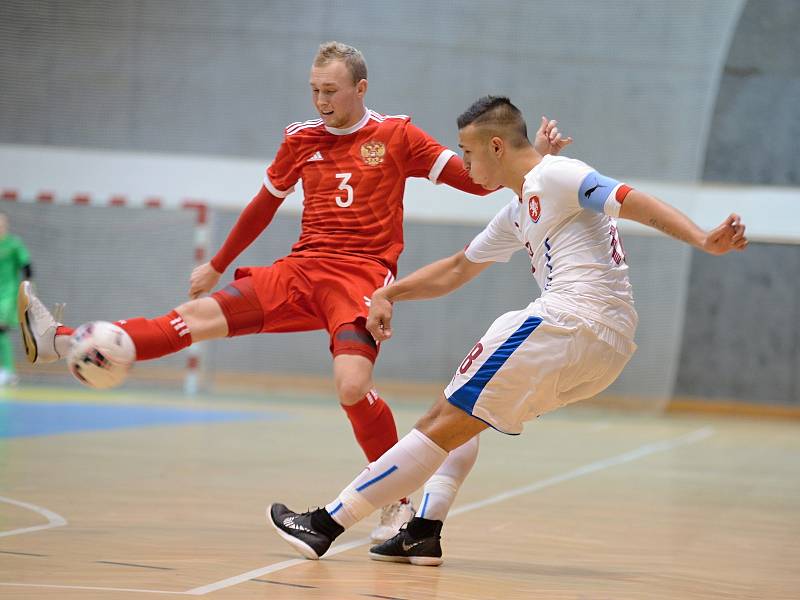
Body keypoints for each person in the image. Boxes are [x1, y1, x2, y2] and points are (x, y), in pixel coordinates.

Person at [17, 44, 570, 542]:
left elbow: (478, 178)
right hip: (299, 270)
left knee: (352, 388)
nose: (322, 100)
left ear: (361, 88)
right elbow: (263, 205)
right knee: (193, 317)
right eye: (315, 90)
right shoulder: (300, 140)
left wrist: (536, 159)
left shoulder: (398, 136)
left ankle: (395, 502)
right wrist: (217, 264)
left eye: (331, 90)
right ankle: (59, 339)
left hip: (359, 277)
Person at [267, 95, 748, 566]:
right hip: (607, 350)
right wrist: (389, 295)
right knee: (464, 412)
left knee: (443, 417)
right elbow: (457, 268)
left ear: (496, 147)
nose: (463, 162)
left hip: (570, 321)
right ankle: (423, 532)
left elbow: (627, 199)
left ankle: (325, 524)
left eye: (468, 151)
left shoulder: (555, 174)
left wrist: (702, 238)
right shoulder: (520, 207)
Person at [0, 213, 32, 386]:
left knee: (1, 329)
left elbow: (26, 265)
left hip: (7, 294)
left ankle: (8, 371)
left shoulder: (13, 244)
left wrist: (29, 286)